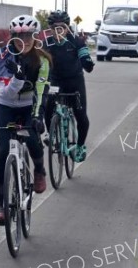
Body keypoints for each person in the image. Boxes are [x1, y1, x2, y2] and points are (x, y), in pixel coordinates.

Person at [0, 14, 51, 225]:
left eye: (28, 37)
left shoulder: (42, 60)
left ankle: (39, 171)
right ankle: (2, 205)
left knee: (32, 139)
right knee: (4, 151)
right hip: (6, 105)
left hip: (28, 105)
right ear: (11, 37)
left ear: (35, 37)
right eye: (18, 37)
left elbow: (41, 91)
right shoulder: (4, 57)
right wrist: (17, 77)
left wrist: (37, 116)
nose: (23, 41)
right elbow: (5, 93)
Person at [43, 10, 94, 163]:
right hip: (56, 81)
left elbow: (86, 61)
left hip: (74, 81)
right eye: (54, 27)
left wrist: (86, 61)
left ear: (67, 28)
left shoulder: (76, 41)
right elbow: (38, 64)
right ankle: (52, 134)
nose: (58, 30)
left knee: (81, 115)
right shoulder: (46, 44)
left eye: (62, 27)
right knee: (48, 106)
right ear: (50, 29)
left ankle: (80, 146)